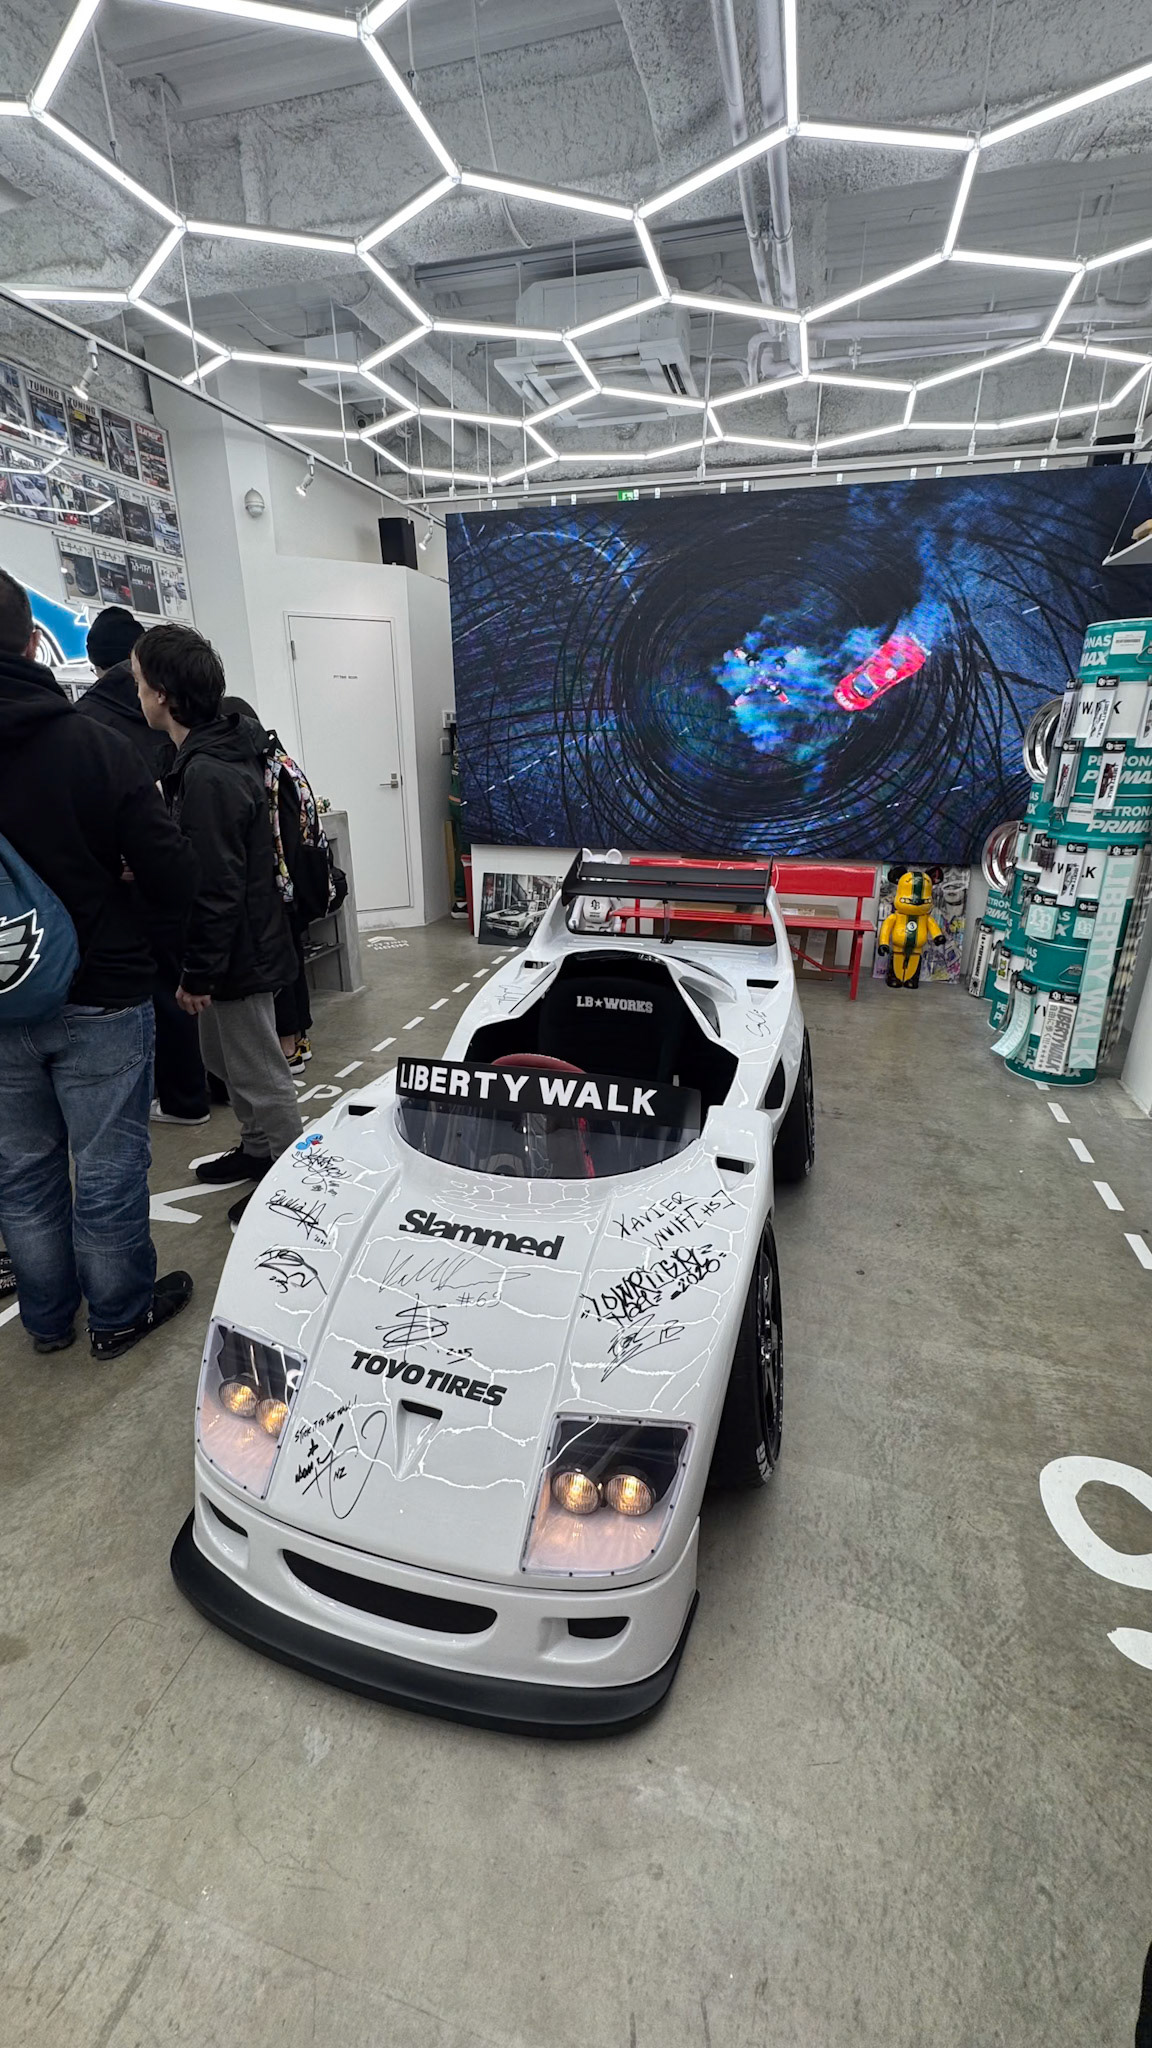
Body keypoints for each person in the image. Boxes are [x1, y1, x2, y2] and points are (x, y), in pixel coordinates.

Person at [0, 568, 196, 1358]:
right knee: (108, 1166)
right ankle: (117, 1315)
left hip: (1, 997)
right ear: (31, 643)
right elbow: (173, 871)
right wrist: (133, 920)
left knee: (23, 1172)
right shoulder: (92, 746)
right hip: (102, 994)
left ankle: (47, 1320)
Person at [133, 625, 302, 1228]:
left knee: (259, 1073)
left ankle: (292, 1178)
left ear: (163, 694)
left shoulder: (209, 772)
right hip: (233, 946)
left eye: (140, 682)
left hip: (237, 952)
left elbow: (217, 885)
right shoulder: (206, 757)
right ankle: (257, 1149)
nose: (137, 693)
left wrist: (199, 973)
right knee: (226, 1060)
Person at [79, 606, 210, 1128]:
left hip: (135, 886)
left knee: (165, 989)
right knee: (193, 984)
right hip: (182, 879)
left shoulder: (88, 722)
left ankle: (185, 1098)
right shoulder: (215, 727)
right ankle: (207, 1087)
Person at [221, 694, 312, 1074]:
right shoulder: (281, 761)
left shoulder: (252, 770)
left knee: (279, 969)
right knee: (293, 960)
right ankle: (299, 1039)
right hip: (295, 882)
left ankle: (287, 1046)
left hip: (271, 885)